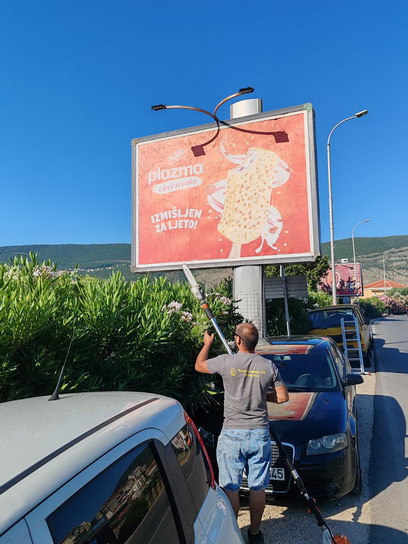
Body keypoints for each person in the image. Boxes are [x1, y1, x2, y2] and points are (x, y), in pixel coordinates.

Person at [195, 323, 289, 544]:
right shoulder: (268, 366)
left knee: (231, 487)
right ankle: (255, 534)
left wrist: (207, 344)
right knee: (258, 487)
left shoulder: (226, 362)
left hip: (232, 434)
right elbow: (283, 397)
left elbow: (199, 365)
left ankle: (233, 533)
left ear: (238, 340)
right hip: (258, 434)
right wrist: (262, 395)